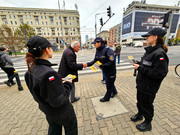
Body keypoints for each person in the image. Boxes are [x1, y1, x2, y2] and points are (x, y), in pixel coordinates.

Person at [24, 36, 78, 135]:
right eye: (51, 47)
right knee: (71, 129)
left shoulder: (30, 71)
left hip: (48, 111)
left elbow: (40, 91)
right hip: (63, 112)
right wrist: (67, 84)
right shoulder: (48, 73)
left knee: (54, 129)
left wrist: (57, 82)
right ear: (46, 50)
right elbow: (59, 100)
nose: (52, 50)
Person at [130, 28, 169, 132]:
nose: (146, 38)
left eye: (148, 36)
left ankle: (148, 123)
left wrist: (140, 68)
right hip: (142, 84)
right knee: (140, 102)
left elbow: (160, 73)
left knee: (147, 105)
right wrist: (139, 63)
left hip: (149, 87)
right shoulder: (151, 51)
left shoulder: (160, 54)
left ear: (155, 37)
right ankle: (140, 115)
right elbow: (148, 65)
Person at [85, 37, 118, 102]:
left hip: (111, 71)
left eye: (95, 43)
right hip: (105, 70)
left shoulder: (108, 50)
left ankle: (106, 98)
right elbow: (95, 60)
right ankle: (114, 92)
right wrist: (87, 64)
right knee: (110, 82)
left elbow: (112, 62)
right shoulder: (98, 50)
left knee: (109, 84)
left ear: (99, 43)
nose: (94, 45)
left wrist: (102, 66)